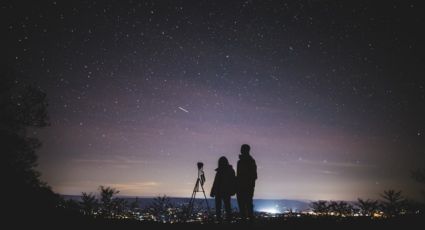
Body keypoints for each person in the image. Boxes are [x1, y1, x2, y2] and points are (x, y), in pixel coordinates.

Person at [210, 156, 236, 221]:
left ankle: (221, 220)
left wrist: (212, 191)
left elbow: (215, 182)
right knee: (226, 206)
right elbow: (216, 182)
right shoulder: (230, 170)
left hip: (221, 191)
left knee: (222, 207)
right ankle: (227, 220)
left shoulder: (221, 171)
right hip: (223, 191)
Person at [236, 144, 257, 220]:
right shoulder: (247, 161)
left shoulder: (247, 161)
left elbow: (253, 176)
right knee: (247, 204)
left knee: (245, 205)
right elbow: (254, 176)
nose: (241, 150)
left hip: (245, 187)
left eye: (242, 149)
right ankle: (248, 222)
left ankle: (246, 222)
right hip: (246, 187)